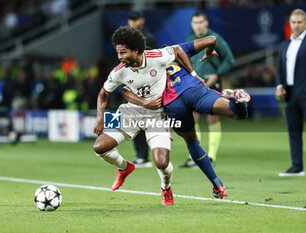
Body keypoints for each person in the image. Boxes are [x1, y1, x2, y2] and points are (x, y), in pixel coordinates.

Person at [121, 36, 250, 198]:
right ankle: (236, 99)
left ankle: (218, 185)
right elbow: (211, 39)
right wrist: (209, 52)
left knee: (192, 141)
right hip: (193, 89)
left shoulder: (143, 69)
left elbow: (130, 92)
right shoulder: (173, 50)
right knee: (237, 114)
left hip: (173, 105)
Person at [93, 26, 196, 206]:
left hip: (157, 115)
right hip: (130, 112)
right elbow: (103, 93)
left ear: (136, 50)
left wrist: (194, 75)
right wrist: (100, 117)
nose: (120, 57)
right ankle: (124, 167)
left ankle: (166, 187)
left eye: (123, 53)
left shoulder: (157, 57)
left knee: (162, 163)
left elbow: (178, 50)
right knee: (99, 147)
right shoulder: (119, 70)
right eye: (118, 53)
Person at [180, 11, 235, 168]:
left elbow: (229, 60)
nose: (198, 25)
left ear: (206, 23)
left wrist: (217, 75)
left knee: (213, 119)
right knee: (192, 119)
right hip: (194, 84)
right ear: (192, 24)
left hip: (211, 83)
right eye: (195, 22)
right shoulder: (190, 40)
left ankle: (211, 156)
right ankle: (195, 157)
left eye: (200, 22)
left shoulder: (215, 39)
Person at [276, 9, 306, 177]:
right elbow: (281, 70)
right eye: (293, 22)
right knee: (294, 131)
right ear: (289, 24)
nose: (296, 25)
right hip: (290, 94)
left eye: (299, 22)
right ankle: (297, 166)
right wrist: (279, 85)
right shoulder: (285, 45)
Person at [127, 10, 158, 168]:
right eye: (130, 19)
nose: (132, 22)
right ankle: (140, 155)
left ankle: (145, 156)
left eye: (135, 19)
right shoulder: (125, 40)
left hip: (147, 86)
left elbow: (156, 62)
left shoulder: (149, 39)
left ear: (142, 21)